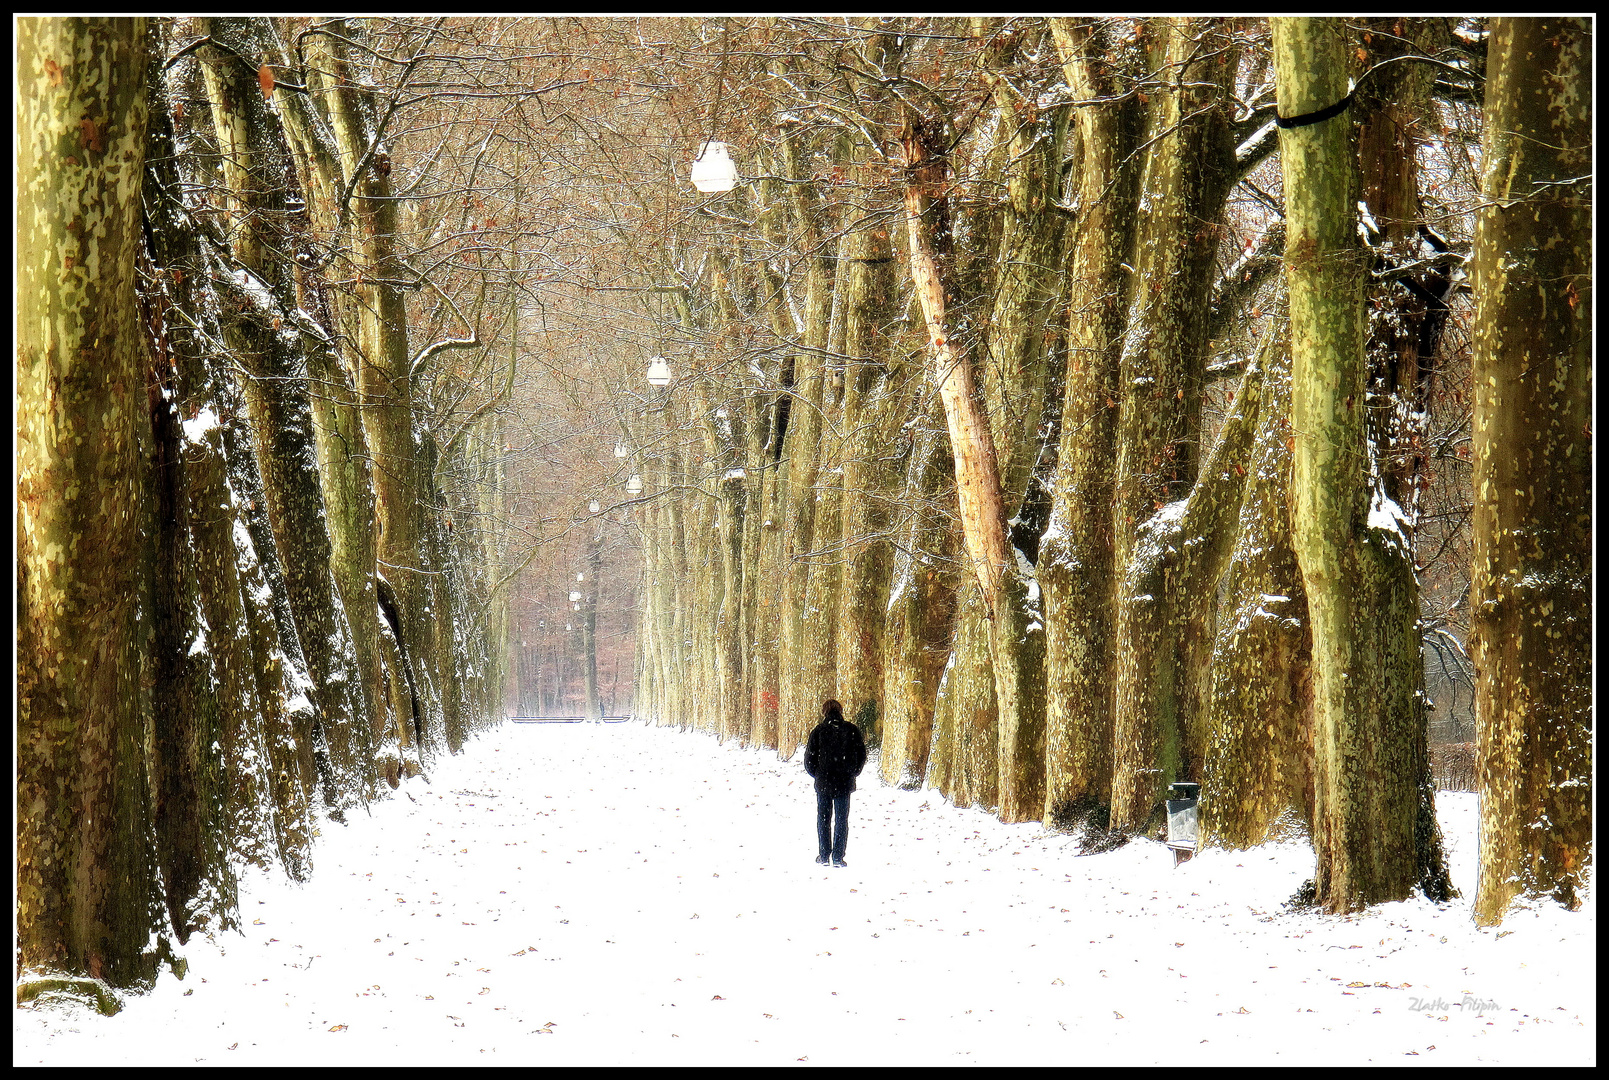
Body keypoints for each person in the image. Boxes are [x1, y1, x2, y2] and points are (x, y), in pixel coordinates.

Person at [803, 698, 867, 868]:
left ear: (824, 712)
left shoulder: (819, 731)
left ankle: (824, 855)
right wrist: (853, 771)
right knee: (841, 819)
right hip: (844, 782)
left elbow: (809, 758)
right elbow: (861, 754)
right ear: (840, 711)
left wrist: (817, 774)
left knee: (823, 819)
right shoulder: (851, 730)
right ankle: (838, 856)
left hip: (824, 781)